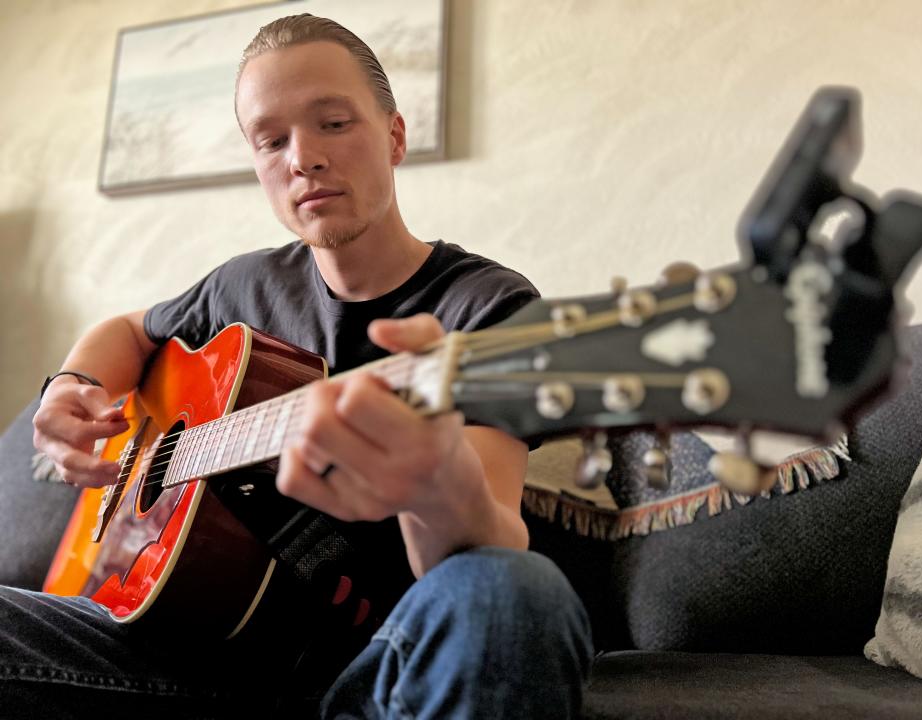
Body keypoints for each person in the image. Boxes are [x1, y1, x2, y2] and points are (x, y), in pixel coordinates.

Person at [4, 14, 592, 719]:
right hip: (179, 649)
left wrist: (433, 482)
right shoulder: (240, 290)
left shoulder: (485, 308)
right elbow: (127, 329)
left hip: (372, 667)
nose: (303, 158)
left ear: (395, 136)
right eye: (271, 140)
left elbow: (488, 547)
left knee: (513, 590)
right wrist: (74, 386)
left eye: (335, 124)